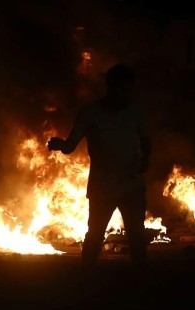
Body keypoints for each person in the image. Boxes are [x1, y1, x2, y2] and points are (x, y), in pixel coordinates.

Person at [48, 64, 151, 268]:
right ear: (110, 87)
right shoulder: (91, 113)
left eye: (129, 89)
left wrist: (145, 161)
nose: (126, 94)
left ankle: (141, 282)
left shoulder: (135, 111)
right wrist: (60, 144)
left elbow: (146, 140)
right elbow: (70, 145)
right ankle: (85, 280)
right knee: (95, 235)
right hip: (102, 187)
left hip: (131, 185)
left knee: (137, 237)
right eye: (123, 89)